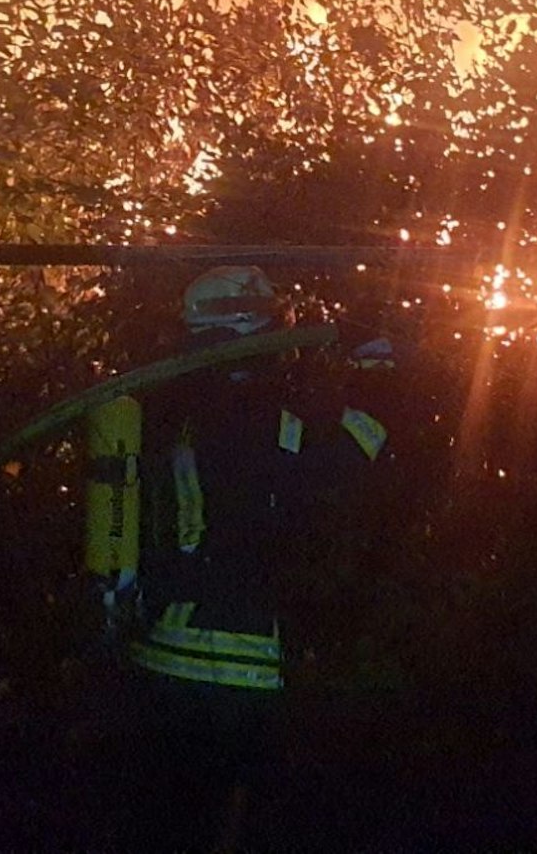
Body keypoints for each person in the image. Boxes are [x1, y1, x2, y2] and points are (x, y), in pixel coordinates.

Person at [118, 265, 391, 851]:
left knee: (170, 823)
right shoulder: (258, 417)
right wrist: (380, 378)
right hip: (236, 658)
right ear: (253, 329)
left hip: (161, 651)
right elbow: (345, 458)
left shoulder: (162, 408)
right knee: (250, 819)